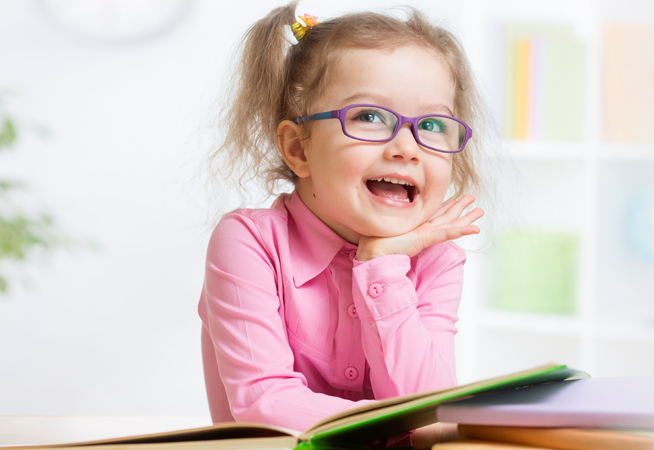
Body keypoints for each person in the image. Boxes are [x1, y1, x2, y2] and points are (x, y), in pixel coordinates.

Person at [198, 2, 488, 447]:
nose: (407, 148)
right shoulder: (248, 242)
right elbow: (264, 402)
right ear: (299, 149)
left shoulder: (438, 260)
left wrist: (381, 267)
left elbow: (431, 408)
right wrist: (406, 424)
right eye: (369, 117)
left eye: (431, 124)